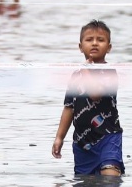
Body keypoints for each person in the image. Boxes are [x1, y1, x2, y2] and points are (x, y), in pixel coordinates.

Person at [51, 19, 123, 177]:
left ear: (109, 47)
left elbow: (96, 93)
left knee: (110, 176)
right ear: (80, 46)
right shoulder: (76, 75)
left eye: (101, 40)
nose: (95, 43)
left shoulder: (110, 72)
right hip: (83, 142)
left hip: (108, 136)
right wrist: (59, 137)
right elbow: (69, 108)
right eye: (89, 40)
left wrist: (86, 71)